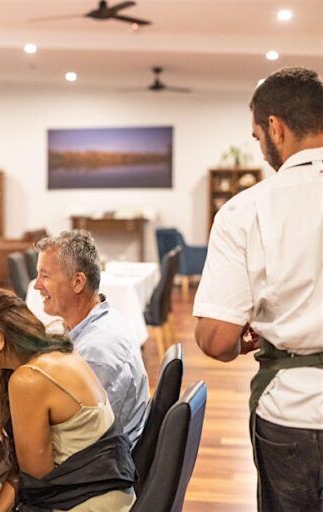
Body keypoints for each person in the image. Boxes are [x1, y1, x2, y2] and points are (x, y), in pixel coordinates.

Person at [193, 66, 323, 511]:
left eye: (257, 136)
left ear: (275, 127)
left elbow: (216, 339)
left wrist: (238, 340)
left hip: (293, 411)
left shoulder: (245, 210)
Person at [0, 288, 135, 512]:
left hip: (86, 502)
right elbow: (26, 474)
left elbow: (36, 485)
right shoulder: (56, 353)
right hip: (108, 492)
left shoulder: (29, 379)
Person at [33, 230, 149, 445]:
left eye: (45, 276)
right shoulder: (99, 320)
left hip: (101, 460)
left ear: (78, 282)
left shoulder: (95, 351)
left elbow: (78, 438)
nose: (36, 285)